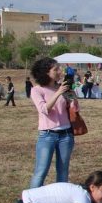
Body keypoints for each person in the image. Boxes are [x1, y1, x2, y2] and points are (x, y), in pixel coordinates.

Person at [29, 57, 77, 189]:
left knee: (63, 171)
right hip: (47, 135)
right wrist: (58, 93)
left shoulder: (62, 88)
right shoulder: (37, 90)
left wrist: (73, 97)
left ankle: (59, 200)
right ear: (46, 72)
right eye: (55, 69)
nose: (59, 71)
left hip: (66, 135)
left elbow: (75, 109)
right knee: (41, 171)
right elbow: (44, 109)